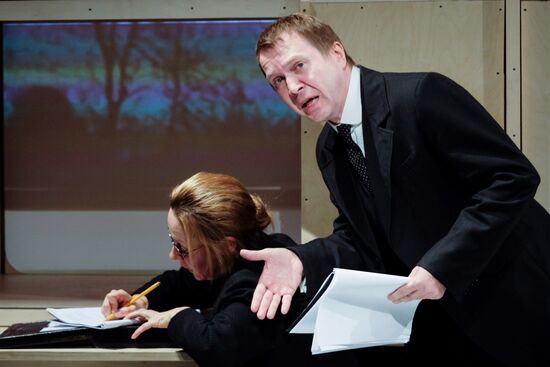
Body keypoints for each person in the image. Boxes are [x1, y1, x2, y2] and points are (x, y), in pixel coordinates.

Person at [240, 13, 550, 366]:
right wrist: (300, 258)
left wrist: (441, 266)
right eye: (278, 80)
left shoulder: (420, 96)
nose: (292, 87)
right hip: (442, 323)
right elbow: (360, 236)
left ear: (337, 54)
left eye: (299, 66)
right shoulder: (328, 147)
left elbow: (512, 177)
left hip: (518, 301)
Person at [101, 171, 360, 367]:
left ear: (226, 246)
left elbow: (219, 345)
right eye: (173, 242)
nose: (172, 255)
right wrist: (142, 299)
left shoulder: (259, 279)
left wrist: (178, 317)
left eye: (182, 247)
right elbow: (176, 283)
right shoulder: (234, 255)